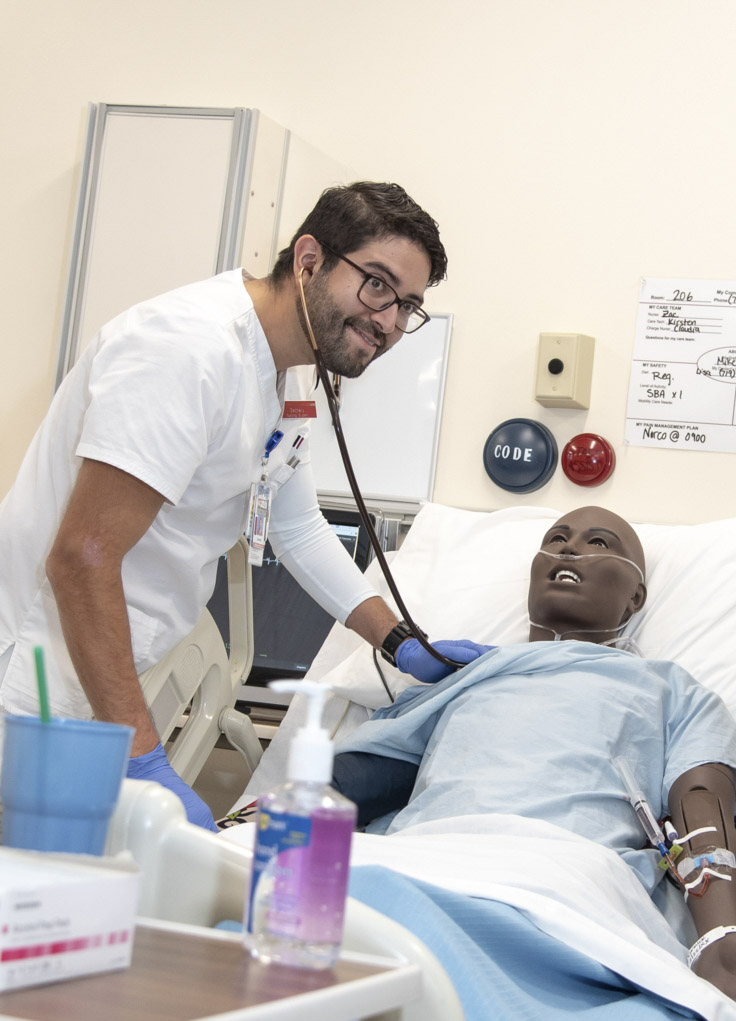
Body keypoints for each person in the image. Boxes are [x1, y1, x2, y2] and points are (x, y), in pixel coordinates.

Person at [0, 182, 489, 832]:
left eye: (408, 307)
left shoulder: (285, 373)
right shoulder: (187, 350)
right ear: (309, 258)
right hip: (34, 671)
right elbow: (82, 558)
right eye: (378, 286)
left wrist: (400, 642)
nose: (390, 323)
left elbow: (294, 525)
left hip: (93, 673)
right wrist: (141, 756)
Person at [333, 505, 736, 1015]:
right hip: (420, 864)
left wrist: (721, 931)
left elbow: (702, 805)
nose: (570, 548)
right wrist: (256, 821)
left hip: (560, 881)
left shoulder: (667, 688)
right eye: (559, 538)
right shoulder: (465, 675)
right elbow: (366, 774)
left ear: (636, 597)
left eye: (599, 543)